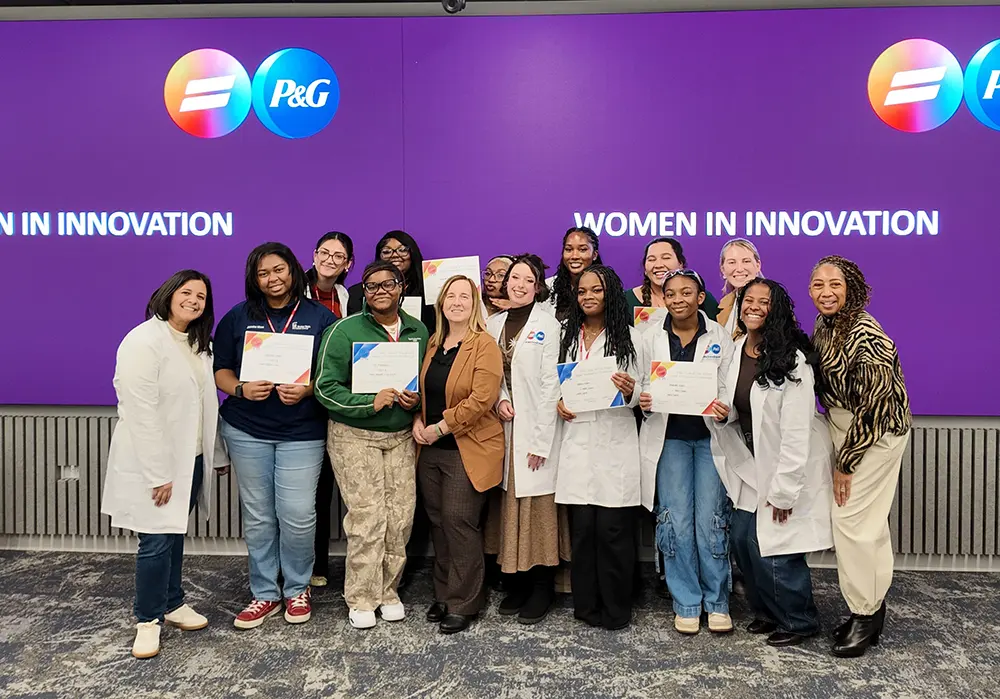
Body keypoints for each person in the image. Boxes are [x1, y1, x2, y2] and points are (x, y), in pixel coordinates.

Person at [102, 270, 229, 659]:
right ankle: (148, 619)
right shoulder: (143, 340)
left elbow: (208, 407)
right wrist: (159, 473)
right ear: (168, 294)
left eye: (202, 297)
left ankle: (173, 603)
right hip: (156, 464)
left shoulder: (197, 344)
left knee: (174, 534)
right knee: (155, 540)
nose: (194, 300)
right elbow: (139, 411)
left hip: (190, 459)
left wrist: (217, 454)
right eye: (187, 292)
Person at [214, 243, 336, 630]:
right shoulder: (237, 317)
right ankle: (265, 592)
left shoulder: (320, 317)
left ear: (294, 271)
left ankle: (298, 587)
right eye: (264, 273)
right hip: (247, 429)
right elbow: (221, 370)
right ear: (254, 278)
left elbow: (335, 376)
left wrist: (309, 388)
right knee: (259, 515)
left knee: (298, 515)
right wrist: (240, 390)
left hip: (303, 430)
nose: (273, 279)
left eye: (279, 270)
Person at [711, 278, 834, 647]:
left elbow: (797, 431)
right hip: (751, 462)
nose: (753, 307)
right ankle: (768, 612)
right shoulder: (735, 350)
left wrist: (784, 492)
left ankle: (799, 620)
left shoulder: (792, 359)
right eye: (749, 300)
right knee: (746, 542)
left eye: (764, 302)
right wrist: (721, 413)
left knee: (777, 550)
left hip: (786, 467)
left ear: (775, 310)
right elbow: (734, 403)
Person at [314, 261, 429, 629]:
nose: (380, 290)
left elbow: (427, 383)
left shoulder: (418, 330)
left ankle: (388, 591)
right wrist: (368, 402)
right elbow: (324, 387)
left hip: (400, 438)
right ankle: (362, 597)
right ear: (364, 291)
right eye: (371, 285)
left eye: (388, 284)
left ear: (401, 287)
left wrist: (415, 402)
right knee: (368, 518)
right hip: (354, 435)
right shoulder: (344, 330)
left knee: (400, 518)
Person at [809, 256, 911, 658]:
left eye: (835, 284)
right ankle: (870, 608)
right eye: (818, 284)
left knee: (850, 519)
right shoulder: (826, 324)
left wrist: (846, 462)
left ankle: (865, 614)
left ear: (851, 287)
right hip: (841, 422)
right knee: (866, 522)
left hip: (873, 433)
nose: (825, 292)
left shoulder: (867, 335)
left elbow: (873, 406)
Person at [637, 269, 733, 635]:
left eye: (686, 293)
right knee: (675, 521)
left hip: (709, 440)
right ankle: (687, 602)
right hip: (670, 439)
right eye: (671, 293)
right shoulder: (650, 337)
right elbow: (644, 385)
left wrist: (725, 408)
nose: (678, 299)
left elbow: (725, 385)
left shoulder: (719, 336)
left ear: (700, 295)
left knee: (711, 521)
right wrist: (645, 401)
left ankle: (718, 602)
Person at [413, 275, 505, 634]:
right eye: (450, 296)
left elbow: (482, 400)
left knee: (460, 524)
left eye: (464, 296)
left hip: (465, 448)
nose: (456, 302)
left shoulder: (484, 344)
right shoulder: (435, 342)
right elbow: (424, 391)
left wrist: (439, 427)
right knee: (438, 523)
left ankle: (465, 601)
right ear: (441, 303)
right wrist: (420, 420)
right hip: (430, 450)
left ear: (475, 303)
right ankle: (444, 593)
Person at [553, 265, 643, 630]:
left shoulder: (633, 337)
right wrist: (558, 403)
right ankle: (586, 607)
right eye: (583, 291)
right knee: (584, 531)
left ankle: (616, 609)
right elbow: (553, 382)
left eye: (597, 290)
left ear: (611, 294)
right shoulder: (566, 335)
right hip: (577, 440)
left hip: (614, 443)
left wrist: (630, 391)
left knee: (613, 531)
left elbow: (646, 389)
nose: (588, 296)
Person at [485, 254, 567, 624]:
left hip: (537, 427)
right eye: (513, 278)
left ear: (538, 287)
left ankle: (541, 587)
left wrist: (541, 440)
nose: (518, 284)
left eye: (527, 280)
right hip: (504, 428)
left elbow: (552, 384)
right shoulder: (493, 323)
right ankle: (515, 581)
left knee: (538, 512)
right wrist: (500, 398)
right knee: (508, 509)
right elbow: (490, 374)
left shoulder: (549, 325)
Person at [303, 231, 354, 589]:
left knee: (327, 489)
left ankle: (319, 562)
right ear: (314, 254)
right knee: (306, 490)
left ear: (348, 264)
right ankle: (302, 567)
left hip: (336, 394)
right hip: (301, 395)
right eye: (325, 252)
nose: (331, 260)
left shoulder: (346, 296)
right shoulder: (295, 291)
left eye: (339, 256)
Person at [346, 230, 436, 335]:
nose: (394, 255)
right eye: (386, 251)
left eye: (402, 250)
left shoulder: (429, 290)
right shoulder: (357, 292)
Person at [626, 240, 721, 321]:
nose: (658, 265)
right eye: (651, 259)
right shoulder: (627, 299)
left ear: (681, 264)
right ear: (645, 268)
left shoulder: (702, 298)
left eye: (666, 258)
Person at [546, 227, 602, 321]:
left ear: (594, 255)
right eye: (569, 249)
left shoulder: (607, 288)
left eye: (582, 250)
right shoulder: (548, 287)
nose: (574, 256)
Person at [715, 240, 762, 335]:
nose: (739, 269)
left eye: (746, 261)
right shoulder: (724, 304)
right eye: (732, 262)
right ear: (723, 270)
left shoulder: (775, 302)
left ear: (758, 265)